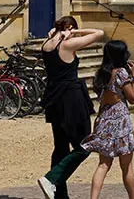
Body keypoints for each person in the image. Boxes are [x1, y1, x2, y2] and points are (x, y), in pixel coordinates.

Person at [37, 17, 105, 199]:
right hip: (70, 98)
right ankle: (51, 179)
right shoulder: (67, 45)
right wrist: (75, 33)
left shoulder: (46, 44)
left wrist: (56, 33)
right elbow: (99, 33)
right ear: (69, 28)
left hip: (54, 98)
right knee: (85, 145)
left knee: (60, 148)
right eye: (73, 29)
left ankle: (59, 195)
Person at [81, 40, 134, 199]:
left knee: (103, 164)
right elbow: (132, 97)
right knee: (126, 167)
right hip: (120, 122)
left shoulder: (100, 74)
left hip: (104, 119)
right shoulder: (121, 73)